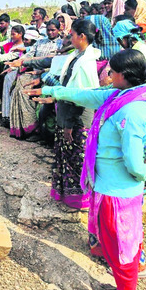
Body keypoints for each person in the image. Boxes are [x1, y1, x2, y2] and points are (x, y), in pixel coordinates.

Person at [26, 49, 146, 290]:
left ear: (124, 75)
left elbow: (133, 162)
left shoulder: (131, 112)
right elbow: (86, 95)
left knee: (121, 251)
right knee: (115, 247)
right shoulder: (119, 96)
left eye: (111, 72)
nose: (107, 75)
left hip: (117, 194)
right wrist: (54, 91)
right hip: (107, 186)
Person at [48, 19, 101, 209]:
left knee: (76, 159)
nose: (70, 38)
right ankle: (68, 195)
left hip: (76, 118)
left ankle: (80, 199)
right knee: (67, 157)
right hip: (68, 114)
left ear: (82, 36)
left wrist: (69, 124)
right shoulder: (78, 57)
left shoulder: (86, 63)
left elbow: (81, 96)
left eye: (72, 34)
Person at [7, 19, 62, 138]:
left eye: (53, 30)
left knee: (37, 99)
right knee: (20, 87)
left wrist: (26, 63)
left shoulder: (61, 44)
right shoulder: (40, 42)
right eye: (48, 30)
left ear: (59, 30)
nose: (50, 33)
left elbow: (51, 61)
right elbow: (30, 54)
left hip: (50, 74)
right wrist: (18, 62)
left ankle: (37, 130)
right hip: (33, 72)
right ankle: (24, 128)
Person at [113, 19, 146, 86]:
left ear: (127, 38)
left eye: (120, 40)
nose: (120, 44)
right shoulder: (138, 49)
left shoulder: (140, 52)